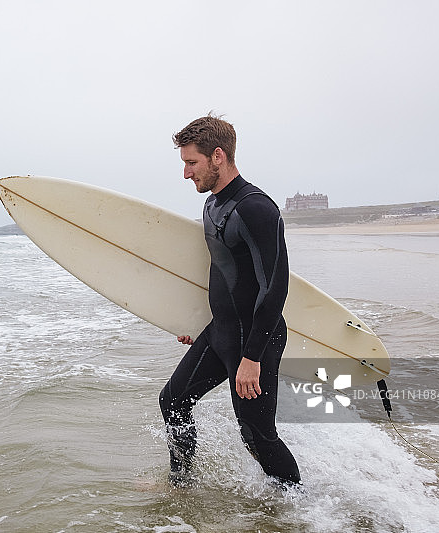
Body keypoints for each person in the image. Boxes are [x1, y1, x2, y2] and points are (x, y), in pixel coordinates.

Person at [159, 115, 301, 487]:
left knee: (256, 435)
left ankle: (299, 507)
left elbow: (275, 287)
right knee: (173, 401)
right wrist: (194, 323)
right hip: (220, 331)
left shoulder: (255, 208)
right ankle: (181, 485)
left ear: (218, 155)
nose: (187, 173)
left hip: (256, 338)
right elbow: (222, 275)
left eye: (192, 163)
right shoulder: (212, 206)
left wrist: (252, 357)